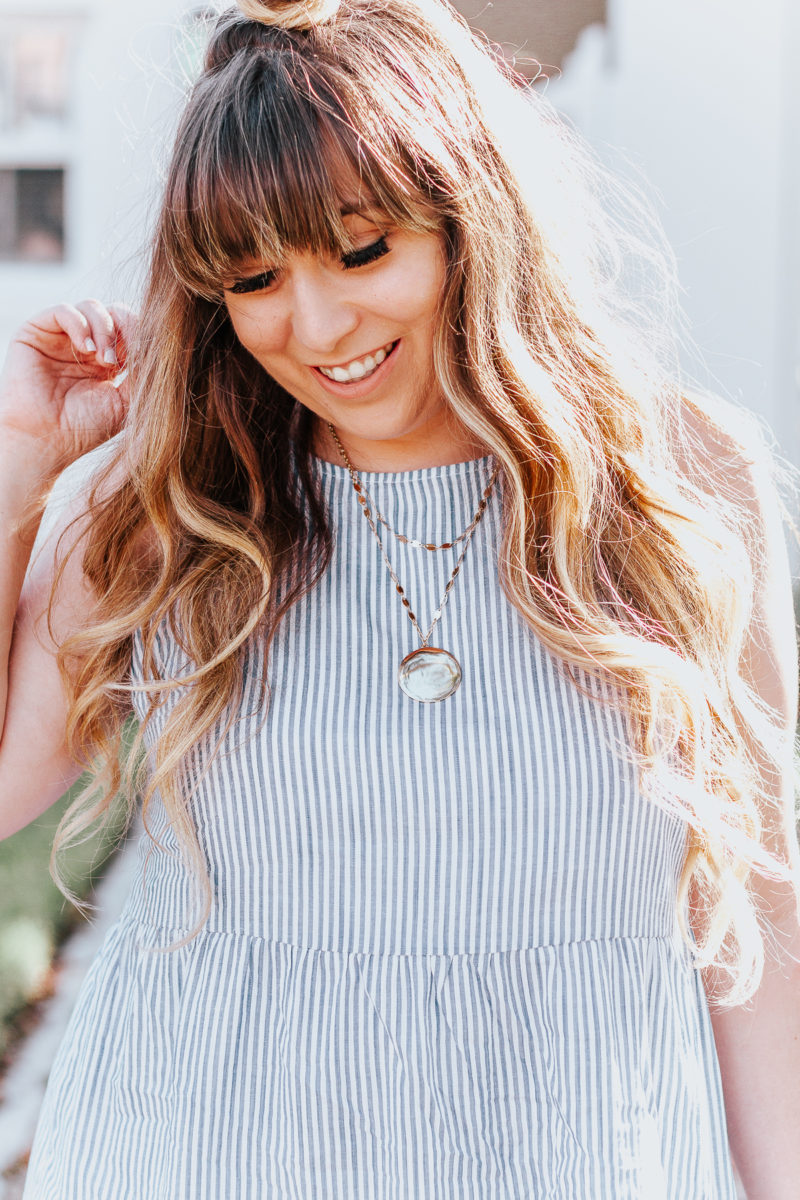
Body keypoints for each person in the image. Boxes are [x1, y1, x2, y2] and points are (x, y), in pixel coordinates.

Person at [2, 0, 799, 1195]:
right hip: (195, 1155)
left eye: (363, 250)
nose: (314, 327)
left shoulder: (680, 488)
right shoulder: (163, 509)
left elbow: (757, 909)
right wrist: (21, 463)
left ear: (468, 219)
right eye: (255, 277)